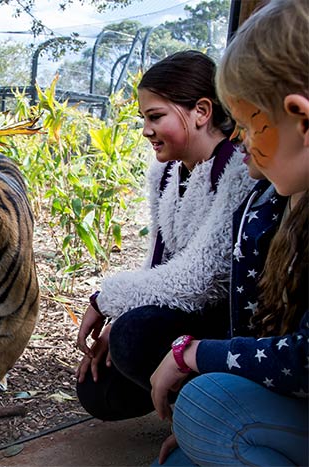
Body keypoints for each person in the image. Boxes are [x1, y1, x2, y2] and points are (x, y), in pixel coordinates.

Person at [150, 0, 308, 464]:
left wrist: (191, 355)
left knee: (202, 407)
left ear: (301, 119)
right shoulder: (278, 199)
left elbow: (303, 360)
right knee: (183, 453)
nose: (244, 146)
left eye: (247, 126)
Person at [75, 50, 256, 420]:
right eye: (144, 118)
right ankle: (171, 402)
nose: (145, 130)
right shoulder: (166, 174)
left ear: (202, 112)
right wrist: (121, 312)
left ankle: (209, 418)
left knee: (132, 337)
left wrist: (106, 299)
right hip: (179, 314)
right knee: (98, 390)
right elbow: (159, 261)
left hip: (224, 322)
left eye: (155, 116)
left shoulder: (237, 169)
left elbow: (199, 278)